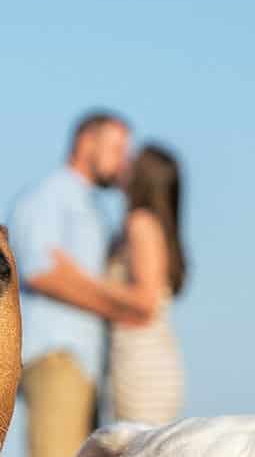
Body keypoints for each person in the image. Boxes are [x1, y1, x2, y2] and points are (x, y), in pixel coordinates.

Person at [4, 110, 152, 457]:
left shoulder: (88, 207)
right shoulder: (49, 197)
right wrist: (122, 304)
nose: (124, 160)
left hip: (82, 360)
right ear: (86, 142)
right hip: (57, 354)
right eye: (117, 146)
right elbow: (42, 268)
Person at [72, 143, 189, 427]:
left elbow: (146, 300)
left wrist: (78, 281)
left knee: (136, 448)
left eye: (132, 161)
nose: (123, 164)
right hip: (139, 354)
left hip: (142, 359)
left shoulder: (141, 224)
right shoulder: (144, 224)